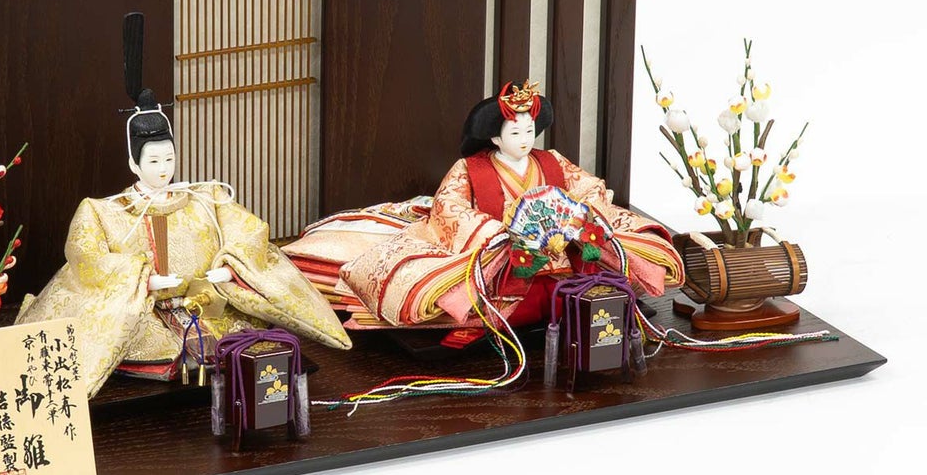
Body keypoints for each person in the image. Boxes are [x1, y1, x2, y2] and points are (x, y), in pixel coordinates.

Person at [17, 90, 350, 397]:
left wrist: (229, 267)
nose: (164, 169)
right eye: (153, 161)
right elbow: (87, 257)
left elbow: (248, 231)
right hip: (144, 313)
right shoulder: (102, 211)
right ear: (134, 163)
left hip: (209, 304)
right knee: (128, 343)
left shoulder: (207, 198)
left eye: (169, 159)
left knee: (239, 341)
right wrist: (142, 280)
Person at [285, 80, 683, 330]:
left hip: (566, 253)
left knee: (629, 254)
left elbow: (589, 188)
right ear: (494, 137)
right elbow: (449, 207)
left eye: (530, 130)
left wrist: (578, 220)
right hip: (502, 255)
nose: (525, 139)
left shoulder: (551, 161)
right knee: (432, 289)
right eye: (516, 133)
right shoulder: (470, 168)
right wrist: (498, 234)